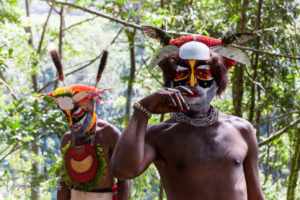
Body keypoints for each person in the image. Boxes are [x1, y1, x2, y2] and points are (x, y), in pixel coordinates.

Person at [111, 35, 265, 200]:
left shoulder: (242, 130)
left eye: (202, 73)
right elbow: (123, 170)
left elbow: (255, 194)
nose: (192, 82)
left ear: (217, 82)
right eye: (183, 74)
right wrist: (142, 110)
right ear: (170, 84)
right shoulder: (159, 135)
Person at [41, 50, 129, 200]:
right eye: (66, 116)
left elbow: (123, 180)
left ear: (90, 108)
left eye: (76, 114)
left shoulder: (109, 134)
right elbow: (64, 180)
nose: (72, 122)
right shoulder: (67, 139)